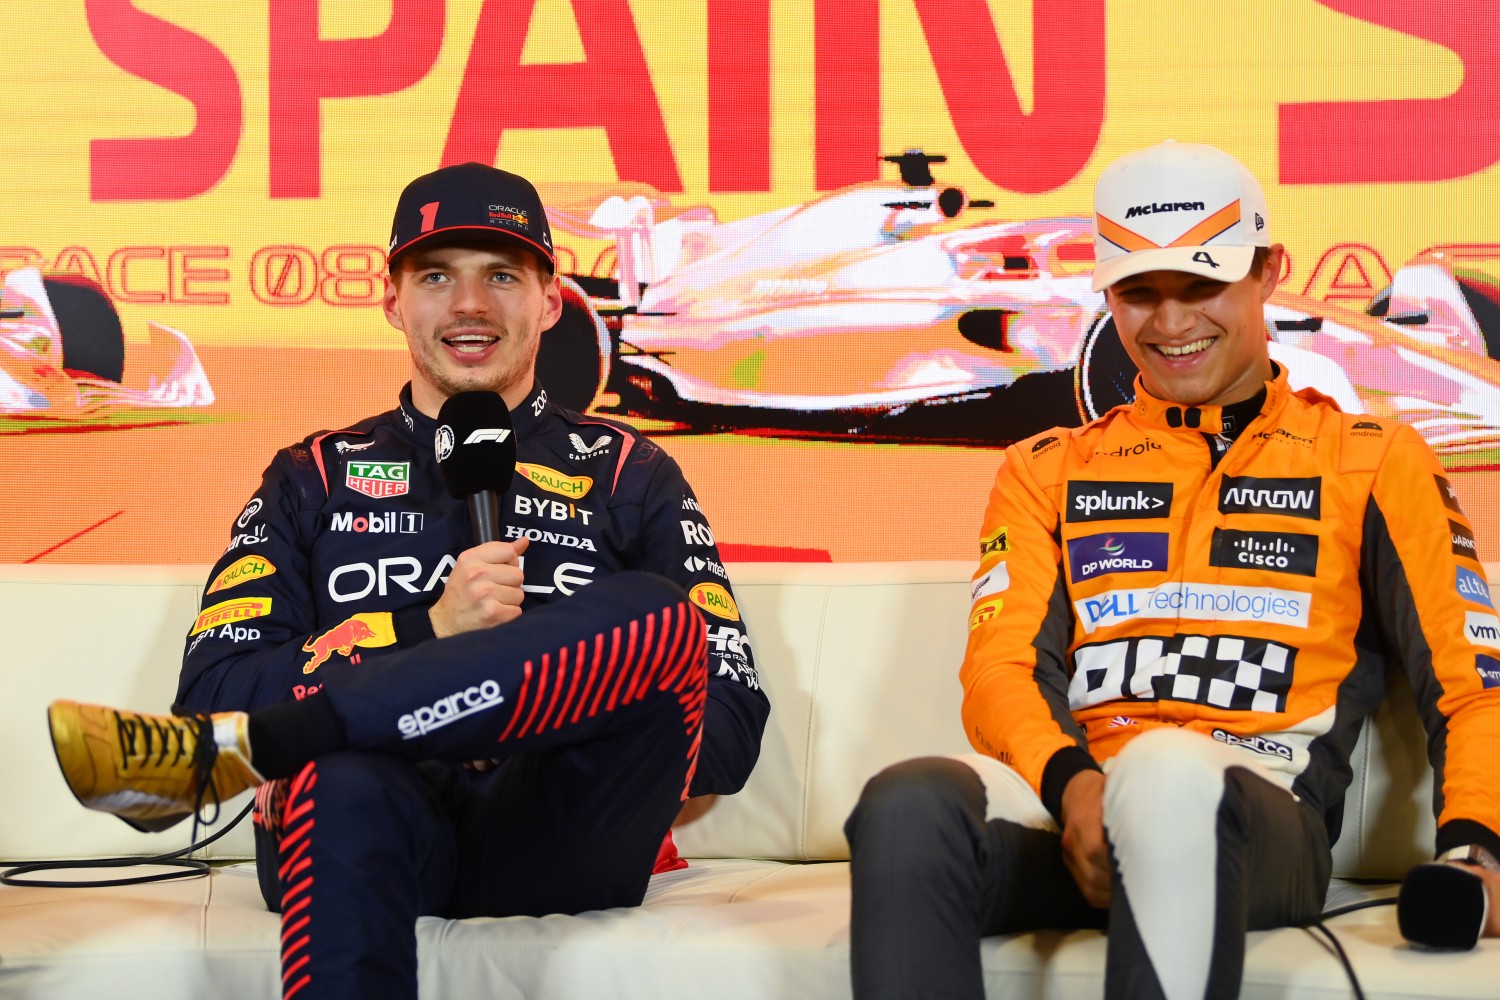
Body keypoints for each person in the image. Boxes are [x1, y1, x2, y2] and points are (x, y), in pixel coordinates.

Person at [48, 162, 769, 1000]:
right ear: (392, 301)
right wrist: (428, 630)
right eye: (436, 277)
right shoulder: (311, 475)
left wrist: (541, 688)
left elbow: (729, 729)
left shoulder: (628, 471)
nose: (469, 306)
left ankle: (265, 751)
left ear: (549, 300)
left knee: (656, 616)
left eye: (501, 275)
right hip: (364, 815)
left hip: (565, 827)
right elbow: (212, 693)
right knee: (344, 776)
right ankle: (296, 748)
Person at [843, 141, 1500, 999]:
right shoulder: (1046, 466)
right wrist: (1077, 788)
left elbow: (1472, 681)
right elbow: (1000, 670)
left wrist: (1475, 850)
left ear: (1268, 272)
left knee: (1163, 776)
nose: (1169, 323)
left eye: (1201, 286)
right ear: (1107, 296)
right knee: (905, 802)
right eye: (1139, 293)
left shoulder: (1373, 459)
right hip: (1077, 815)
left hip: (1260, 820)